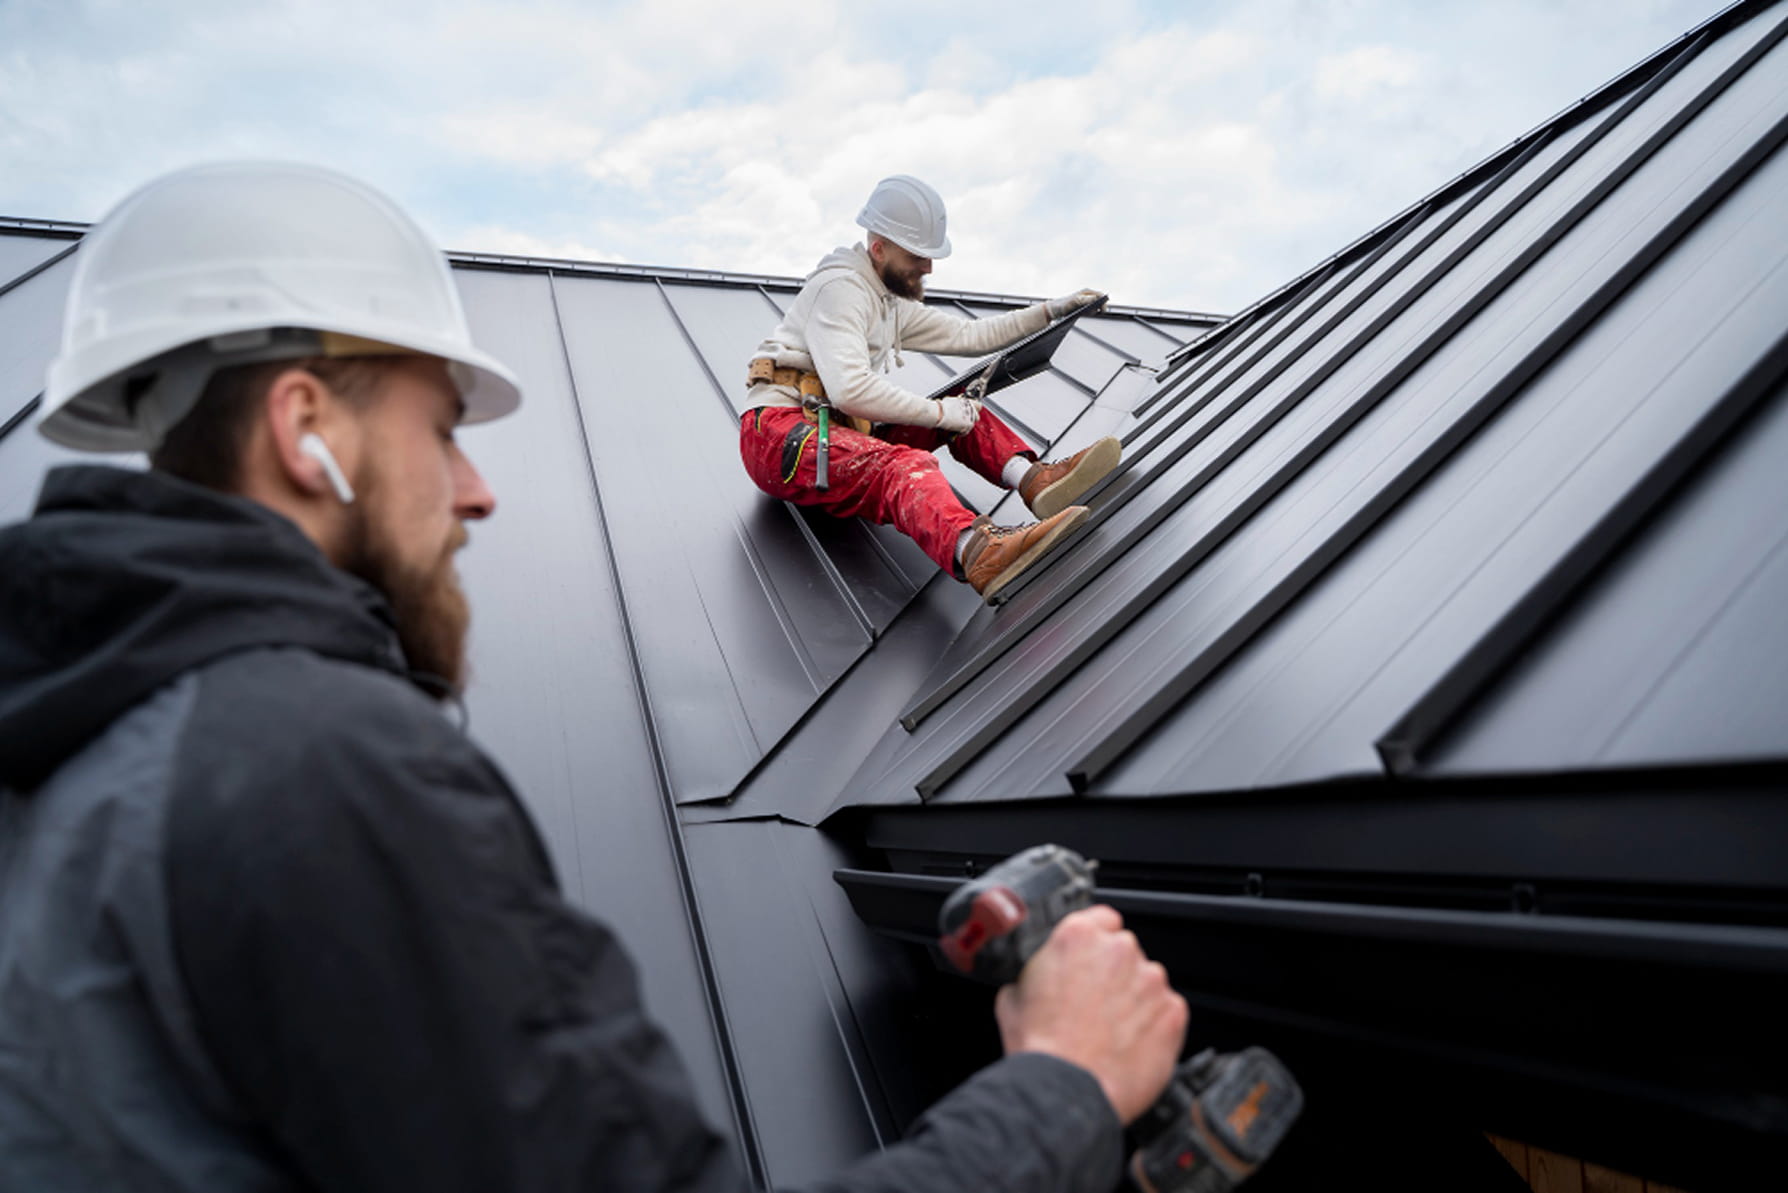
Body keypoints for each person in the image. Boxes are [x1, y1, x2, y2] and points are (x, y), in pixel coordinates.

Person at [0, 162, 1188, 1191]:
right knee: (902, 459)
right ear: (304, 428)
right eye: (442, 430)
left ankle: (1023, 491)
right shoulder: (312, 766)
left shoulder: (79, 780)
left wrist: (1045, 313)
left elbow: (971, 345)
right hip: (812, 428)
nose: (479, 490)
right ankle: (987, 538)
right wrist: (1064, 1089)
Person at [741, 175, 1123, 602]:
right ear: (879, 247)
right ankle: (979, 552)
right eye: (917, 256)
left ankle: (1036, 482)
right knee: (902, 466)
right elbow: (850, 390)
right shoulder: (840, 290)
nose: (928, 267)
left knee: (962, 410)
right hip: (779, 436)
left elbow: (970, 336)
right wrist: (938, 414)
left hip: (833, 433)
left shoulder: (885, 301)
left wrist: (1052, 311)